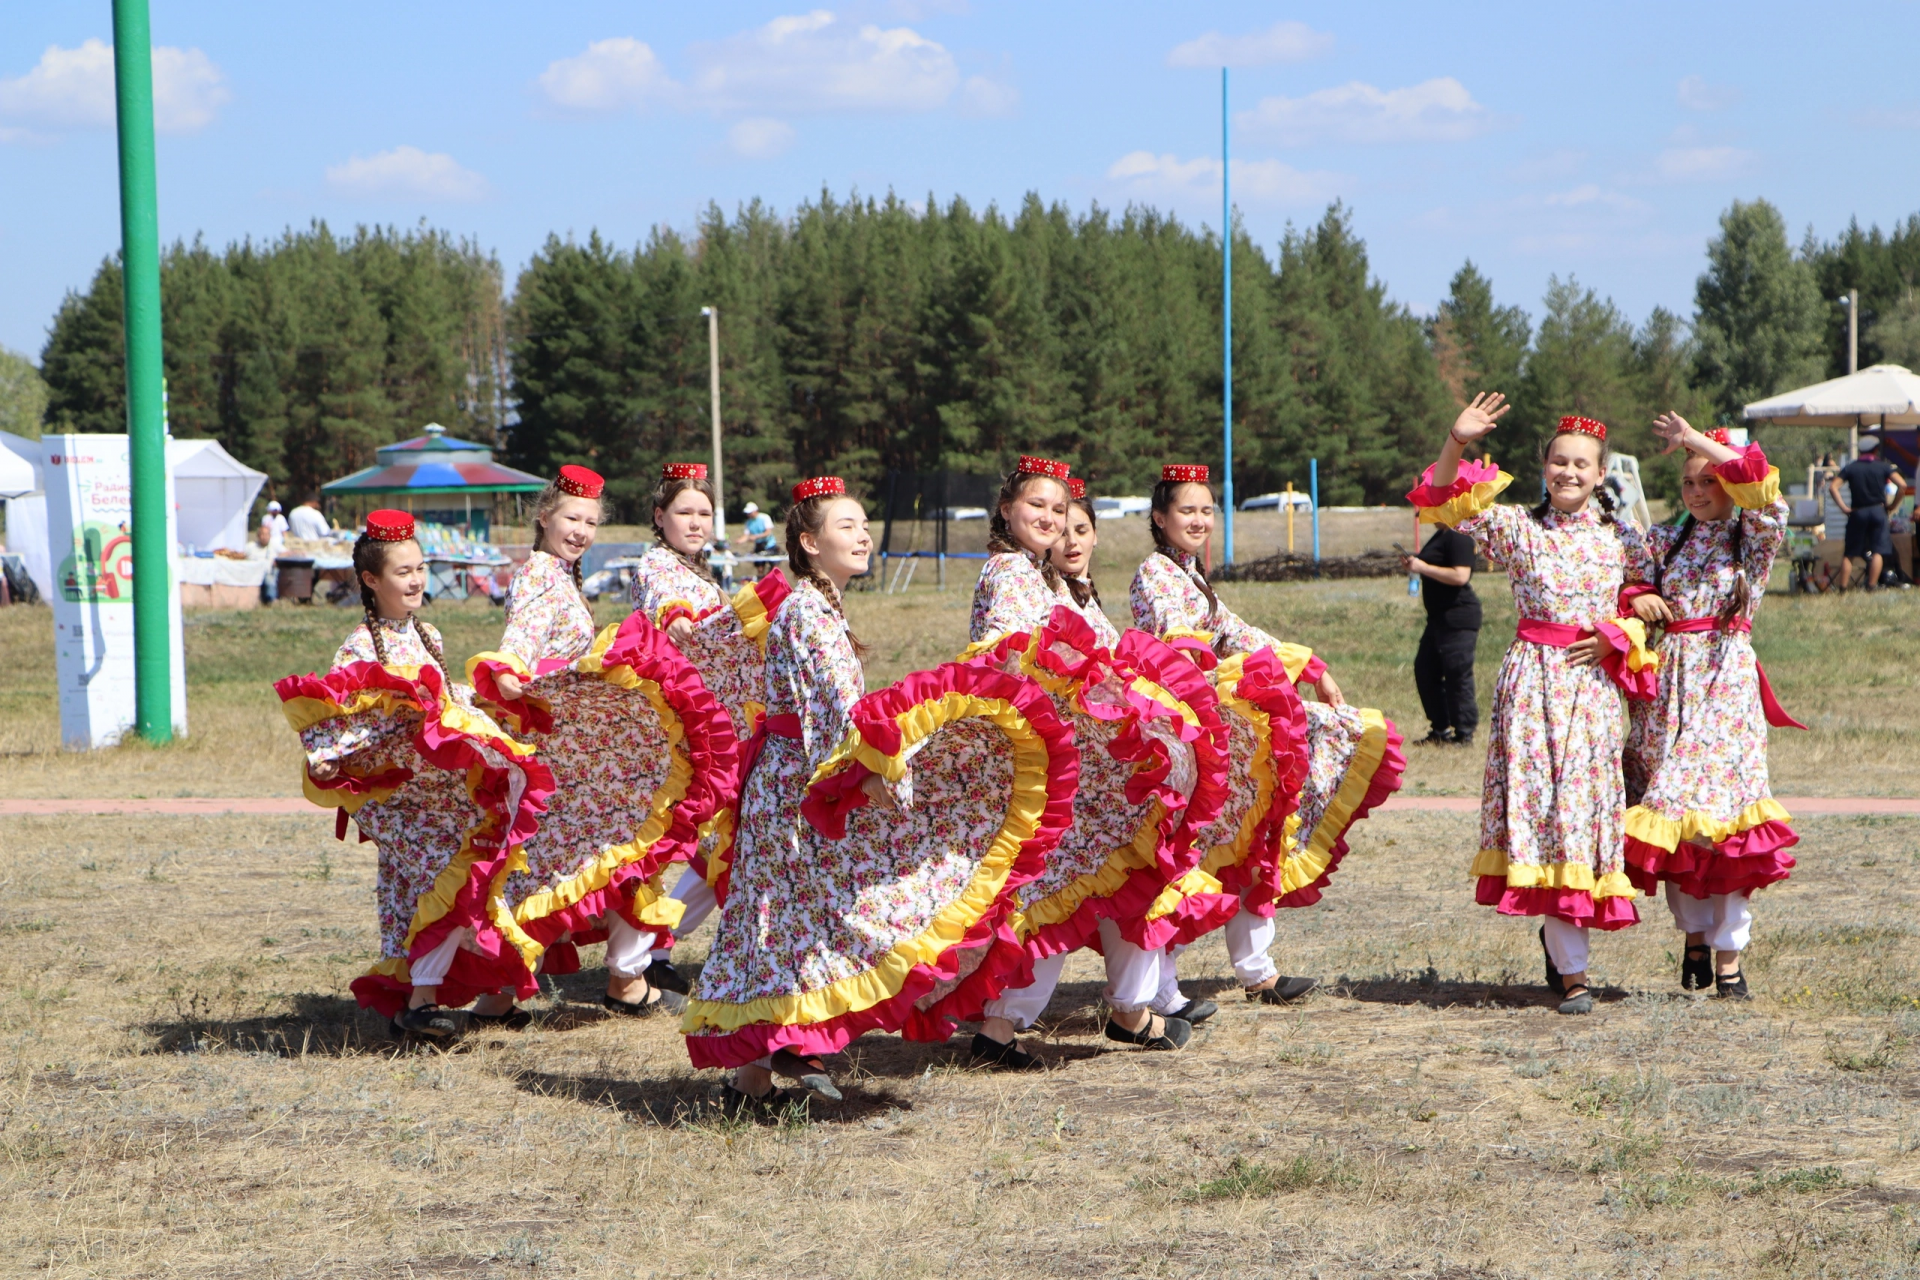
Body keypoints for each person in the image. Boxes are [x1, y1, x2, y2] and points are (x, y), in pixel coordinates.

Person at [682, 477, 1070, 1114]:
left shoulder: (817, 605)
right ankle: (788, 1046)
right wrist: (874, 773)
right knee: (814, 915)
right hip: (792, 790)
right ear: (809, 543)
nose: (862, 535)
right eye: (845, 527)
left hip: (787, 782)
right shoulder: (808, 610)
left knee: (780, 922)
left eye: (863, 525)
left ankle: (750, 1081)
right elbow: (835, 714)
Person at [968, 457, 1234, 1068]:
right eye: (1039, 507)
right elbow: (1020, 665)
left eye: (1060, 511)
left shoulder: (1037, 577)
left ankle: (1127, 1008)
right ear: (1007, 510)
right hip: (1046, 764)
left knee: (1099, 877)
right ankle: (1014, 1024)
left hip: (1070, 760)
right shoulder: (1012, 572)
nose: (1053, 521)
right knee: (1073, 881)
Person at [1408, 395, 1658, 1015]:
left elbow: (1657, 606)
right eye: (1559, 462)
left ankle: (1571, 966)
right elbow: (1441, 501)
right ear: (1544, 467)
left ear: (1602, 473)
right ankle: (1566, 958)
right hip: (1530, 689)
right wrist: (1456, 441)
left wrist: (1619, 633)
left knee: (1578, 815)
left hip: (1592, 690)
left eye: (1582, 464)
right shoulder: (1517, 527)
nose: (1570, 473)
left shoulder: (1623, 538)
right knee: (1543, 815)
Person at [1131, 464, 1404, 1014]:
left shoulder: (1189, 573)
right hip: (1184, 730)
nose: (1200, 520)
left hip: (1214, 721)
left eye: (1208, 511)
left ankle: (1258, 971)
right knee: (1187, 853)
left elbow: (1237, 632)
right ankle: (1159, 992)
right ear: (1159, 518)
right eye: (1187, 510)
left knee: (1256, 834)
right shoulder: (1156, 573)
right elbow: (1182, 648)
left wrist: (1311, 666)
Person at [274, 510, 549, 1038]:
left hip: (441, 792)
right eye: (403, 572)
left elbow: (444, 699)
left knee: (417, 887)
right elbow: (344, 711)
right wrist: (330, 753)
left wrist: (492, 707)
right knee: (448, 873)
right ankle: (425, 1001)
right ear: (371, 581)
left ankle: (436, 1000)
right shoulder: (359, 647)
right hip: (398, 797)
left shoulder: (429, 633)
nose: (417, 580)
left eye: (420, 567)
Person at [471, 466, 731, 1023]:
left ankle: (532, 986)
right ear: (544, 518)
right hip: (563, 743)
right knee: (618, 847)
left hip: (580, 741)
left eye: (591, 521)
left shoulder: (558, 574)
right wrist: (514, 679)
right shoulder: (543, 576)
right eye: (572, 518)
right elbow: (520, 641)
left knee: (585, 855)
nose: (582, 530)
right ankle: (624, 975)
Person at [1622, 415, 1801, 1000]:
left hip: (1724, 690)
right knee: (1676, 824)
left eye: (1710, 480)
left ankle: (1730, 956)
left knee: (1725, 825)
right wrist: (1641, 593)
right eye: (1688, 483)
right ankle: (1694, 938)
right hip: (1668, 693)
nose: (1699, 492)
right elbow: (1625, 583)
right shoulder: (1663, 540)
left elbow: (1766, 491)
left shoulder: (1754, 537)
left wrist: (1703, 443)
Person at [627, 463, 790, 998]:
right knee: (688, 838)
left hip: (718, 728)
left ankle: (657, 950)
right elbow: (667, 610)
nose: (696, 523)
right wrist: (677, 618)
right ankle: (640, 957)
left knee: (724, 838)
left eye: (704, 513)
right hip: (681, 733)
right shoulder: (658, 566)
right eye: (684, 512)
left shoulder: (698, 568)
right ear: (659, 516)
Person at [1405, 524, 1482, 746]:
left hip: (1459, 616)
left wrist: (1422, 567)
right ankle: (1440, 728)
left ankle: (1464, 732)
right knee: (1425, 671)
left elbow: (1460, 576)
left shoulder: (1459, 537)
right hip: (1437, 617)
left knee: (1457, 673)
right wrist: (1415, 565)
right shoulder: (1441, 535)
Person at [1829, 436, 1900, 590]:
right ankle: (1871, 585)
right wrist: (1892, 505)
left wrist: (1844, 508)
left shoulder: (1851, 467)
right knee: (1878, 551)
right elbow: (1902, 484)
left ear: (1860, 451)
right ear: (1875, 450)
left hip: (1858, 511)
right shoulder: (1883, 467)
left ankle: (1842, 587)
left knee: (1850, 553)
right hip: (1878, 510)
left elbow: (1833, 487)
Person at [733, 500, 777, 569]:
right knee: (760, 567)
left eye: (750, 512)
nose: (748, 514)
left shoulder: (765, 517)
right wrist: (739, 541)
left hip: (769, 545)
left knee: (773, 566)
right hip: (759, 546)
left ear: (755, 511)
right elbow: (746, 535)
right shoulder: (748, 522)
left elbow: (768, 532)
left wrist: (756, 537)